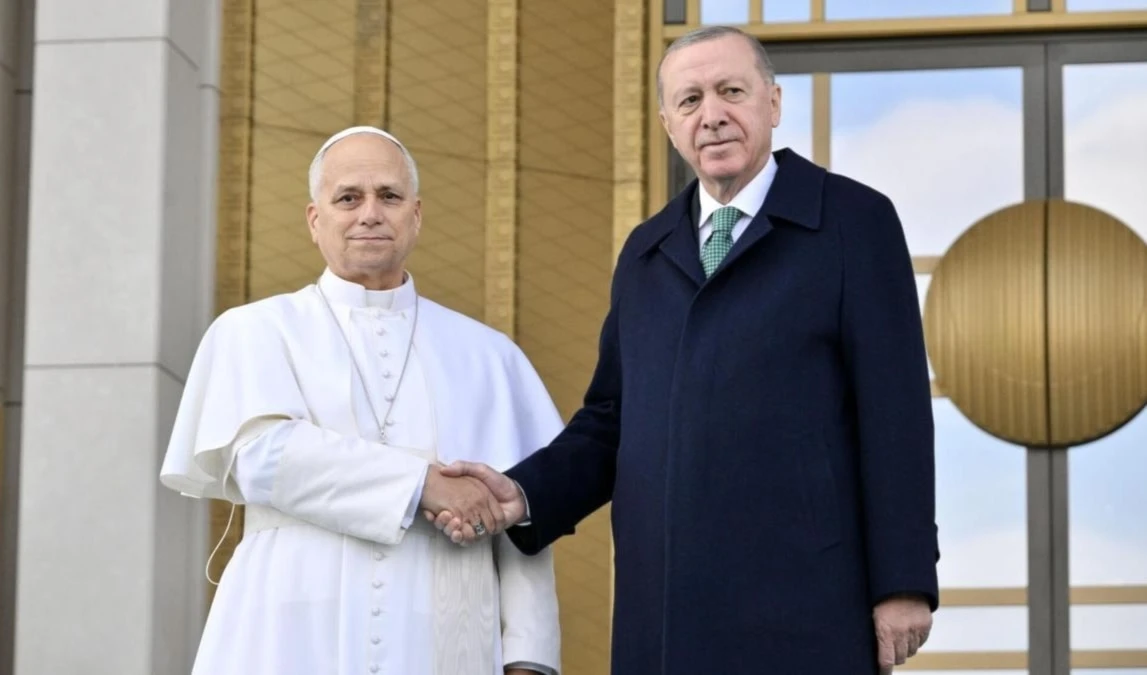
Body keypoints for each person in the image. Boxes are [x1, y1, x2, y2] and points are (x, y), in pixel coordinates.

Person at [434, 25, 939, 675]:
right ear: (668, 123)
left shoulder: (852, 222)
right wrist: (523, 494)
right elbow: (611, 419)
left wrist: (901, 581)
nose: (712, 115)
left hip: (806, 599)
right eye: (690, 99)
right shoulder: (645, 252)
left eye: (731, 91)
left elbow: (893, 410)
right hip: (665, 609)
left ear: (773, 103)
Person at [159, 126, 562, 675]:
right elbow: (262, 457)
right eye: (348, 197)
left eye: (389, 197)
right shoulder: (255, 330)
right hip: (289, 627)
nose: (370, 213)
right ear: (314, 219)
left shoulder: (491, 357)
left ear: (416, 215)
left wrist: (529, 659)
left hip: (446, 632)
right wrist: (423, 484)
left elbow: (522, 521)